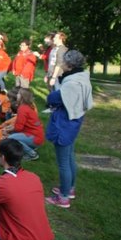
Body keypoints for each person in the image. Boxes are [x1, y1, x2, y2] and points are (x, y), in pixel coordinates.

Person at [45, 50, 93, 208]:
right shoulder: (82, 77)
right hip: (74, 122)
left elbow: (55, 98)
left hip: (65, 124)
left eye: (64, 62)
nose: (62, 64)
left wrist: (52, 94)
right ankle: (69, 188)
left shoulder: (72, 83)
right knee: (70, 157)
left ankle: (63, 197)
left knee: (63, 163)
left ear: (70, 65)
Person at [6, 88, 44, 161]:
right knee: (12, 135)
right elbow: (20, 124)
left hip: (34, 137)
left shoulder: (22, 109)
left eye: (19, 94)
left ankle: (32, 154)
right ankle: (31, 147)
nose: (17, 95)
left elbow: (18, 128)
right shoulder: (28, 106)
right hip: (37, 135)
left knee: (10, 138)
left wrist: (9, 129)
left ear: (22, 97)